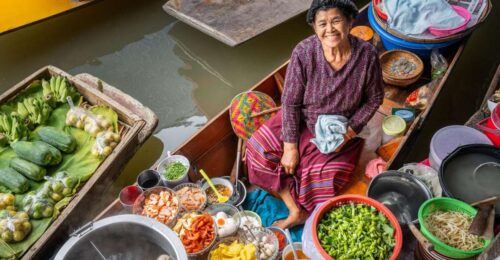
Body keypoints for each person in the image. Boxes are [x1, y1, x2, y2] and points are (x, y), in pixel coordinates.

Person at [245, 0, 384, 229]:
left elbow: (375, 99)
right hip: (302, 120)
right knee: (259, 148)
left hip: (339, 129)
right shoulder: (304, 52)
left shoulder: (366, 55)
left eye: (336, 20)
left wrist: (349, 133)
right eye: (322, 23)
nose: (329, 29)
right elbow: (290, 102)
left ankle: (301, 205)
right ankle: (295, 209)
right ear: (314, 28)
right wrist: (290, 147)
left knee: (325, 175)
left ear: (350, 21)